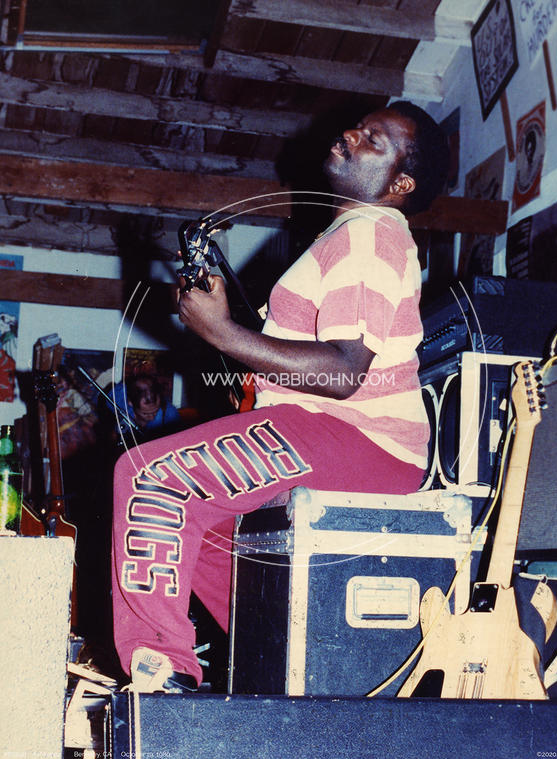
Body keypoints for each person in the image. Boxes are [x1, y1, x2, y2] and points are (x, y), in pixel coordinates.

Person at [111, 100, 450, 692]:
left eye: (375, 140)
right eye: (359, 126)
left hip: (359, 438)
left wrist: (222, 333)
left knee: (151, 478)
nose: (351, 134)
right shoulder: (348, 235)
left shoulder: (369, 234)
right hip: (340, 435)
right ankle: (275, 666)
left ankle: (161, 670)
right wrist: (223, 327)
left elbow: (344, 373)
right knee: (210, 536)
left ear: (401, 184)